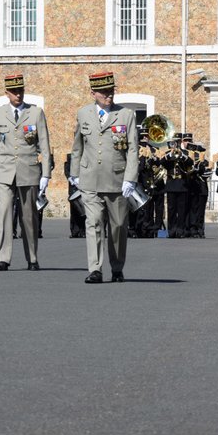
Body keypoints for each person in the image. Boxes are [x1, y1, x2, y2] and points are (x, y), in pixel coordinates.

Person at [70, 71, 140, 283]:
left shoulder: (126, 115)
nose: (109, 96)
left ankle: (117, 267)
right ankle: (95, 269)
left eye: (111, 91)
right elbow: (77, 147)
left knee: (118, 227)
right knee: (93, 224)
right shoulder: (83, 114)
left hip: (117, 180)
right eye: (104, 92)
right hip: (90, 179)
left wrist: (130, 178)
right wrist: (75, 174)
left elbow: (132, 150)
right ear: (93, 93)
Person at [0, 73, 51, 271]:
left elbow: (45, 146)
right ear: (6, 93)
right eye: (14, 91)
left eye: (20, 90)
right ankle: (2, 258)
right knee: (4, 214)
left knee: (29, 216)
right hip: (5, 171)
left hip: (29, 170)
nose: (18, 94)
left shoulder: (35, 113)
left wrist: (46, 174)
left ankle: (32, 257)